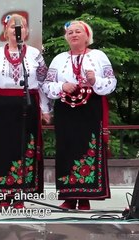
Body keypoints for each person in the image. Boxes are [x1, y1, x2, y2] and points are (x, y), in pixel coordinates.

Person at [0, 14, 51, 209]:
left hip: (27, 104)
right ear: (6, 31)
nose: (17, 30)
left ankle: (21, 193)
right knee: (2, 148)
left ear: (27, 32)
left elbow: (44, 83)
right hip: (2, 106)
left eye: (22, 26)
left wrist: (45, 109)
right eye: (13, 26)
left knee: (25, 147)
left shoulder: (35, 54)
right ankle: (4, 194)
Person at [43, 20, 117, 210]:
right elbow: (47, 86)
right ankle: (68, 197)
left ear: (87, 36)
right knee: (66, 149)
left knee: (88, 148)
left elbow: (111, 82)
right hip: (66, 109)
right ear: (66, 37)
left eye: (78, 31)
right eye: (70, 32)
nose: (74, 34)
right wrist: (62, 86)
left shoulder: (99, 56)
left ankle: (85, 197)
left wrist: (95, 80)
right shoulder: (59, 59)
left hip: (90, 109)